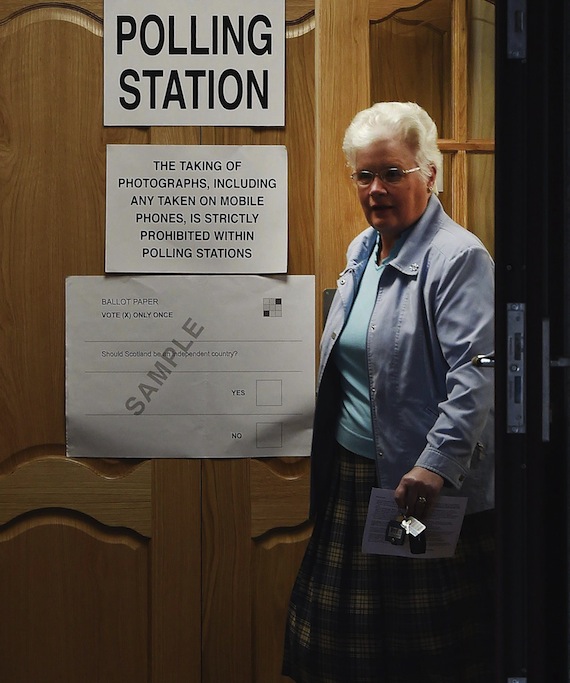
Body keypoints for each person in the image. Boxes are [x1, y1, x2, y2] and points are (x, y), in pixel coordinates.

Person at [283, 102, 495, 683]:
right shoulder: (363, 249)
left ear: (429, 173)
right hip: (353, 478)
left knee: (419, 652)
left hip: (416, 486)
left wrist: (436, 465)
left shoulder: (457, 257)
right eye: (364, 175)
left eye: (392, 173)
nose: (377, 189)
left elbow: (478, 372)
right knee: (336, 647)